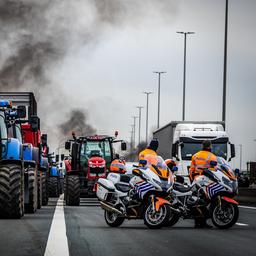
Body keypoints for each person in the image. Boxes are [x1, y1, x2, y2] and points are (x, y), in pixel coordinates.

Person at [189, 140, 217, 228]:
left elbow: (191, 170)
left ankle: (197, 222)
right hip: (206, 180)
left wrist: (192, 180)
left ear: (202, 146)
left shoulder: (195, 155)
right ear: (210, 146)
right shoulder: (212, 156)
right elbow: (215, 170)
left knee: (197, 200)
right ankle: (203, 222)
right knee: (204, 201)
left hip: (196, 179)